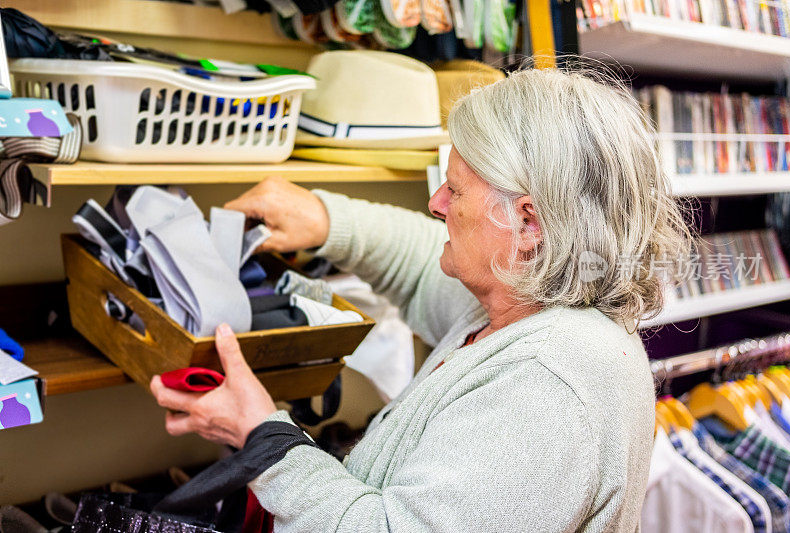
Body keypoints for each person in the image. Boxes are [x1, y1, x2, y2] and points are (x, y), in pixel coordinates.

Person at [150, 66, 692, 532]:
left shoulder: (548, 387)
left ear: (527, 222)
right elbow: (416, 266)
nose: (435, 204)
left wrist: (264, 442)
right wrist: (326, 219)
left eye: (454, 190)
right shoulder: (524, 307)